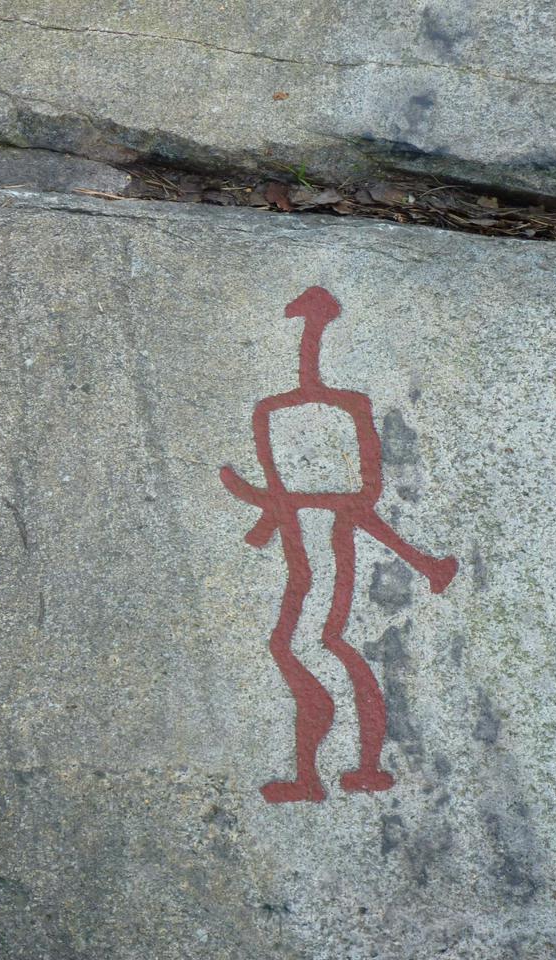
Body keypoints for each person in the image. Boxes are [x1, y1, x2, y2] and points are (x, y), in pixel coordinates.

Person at [220, 286, 457, 803]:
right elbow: (312, 494)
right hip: (310, 537)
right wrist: (267, 505)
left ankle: (343, 761)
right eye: (313, 324)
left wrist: (268, 501)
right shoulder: (275, 412)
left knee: (313, 644)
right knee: (315, 644)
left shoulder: (339, 410)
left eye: (314, 323)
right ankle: (341, 764)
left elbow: (360, 495)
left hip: (324, 545)